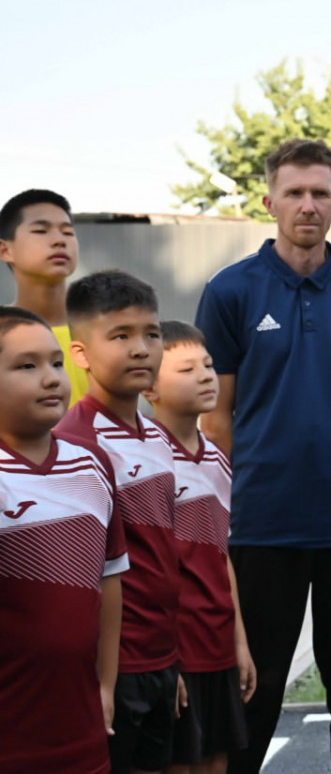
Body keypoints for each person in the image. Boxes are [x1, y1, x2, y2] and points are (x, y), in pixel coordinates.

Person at [194, 138, 331, 774]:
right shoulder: (230, 290)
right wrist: (265, 476)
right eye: (294, 193)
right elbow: (216, 416)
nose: (308, 205)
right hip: (263, 521)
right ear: (269, 202)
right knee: (258, 685)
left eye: (319, 193)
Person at [56, 270, 184, 774]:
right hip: (115, 666)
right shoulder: (74, 443)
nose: (141, 349)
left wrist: (171, 660)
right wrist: (103, 681)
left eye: (151, 334)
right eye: (120, 336)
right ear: (81, 353)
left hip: (163, 658)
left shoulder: (158, 435)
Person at [0, 306, 128, 774]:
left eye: (56, 362)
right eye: (26, 366)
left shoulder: (92, 463)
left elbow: (109, 577)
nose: (51, 377)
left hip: (82, 726)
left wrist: (106, 686)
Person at [144, 321, 255, 774]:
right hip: (175, 648)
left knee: (216, 760)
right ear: (149, 388)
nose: (206, 376)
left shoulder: (218, 457)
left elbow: (220, 555)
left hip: (217, 644)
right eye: (186, 369)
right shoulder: (143, 458)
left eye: (208, 365)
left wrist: (240, 643)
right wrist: (161, 658)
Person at [0, 189, 90, 405]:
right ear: (5, 250)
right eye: (41, 231)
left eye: (68, 232)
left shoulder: (105, 330)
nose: (59, 240)